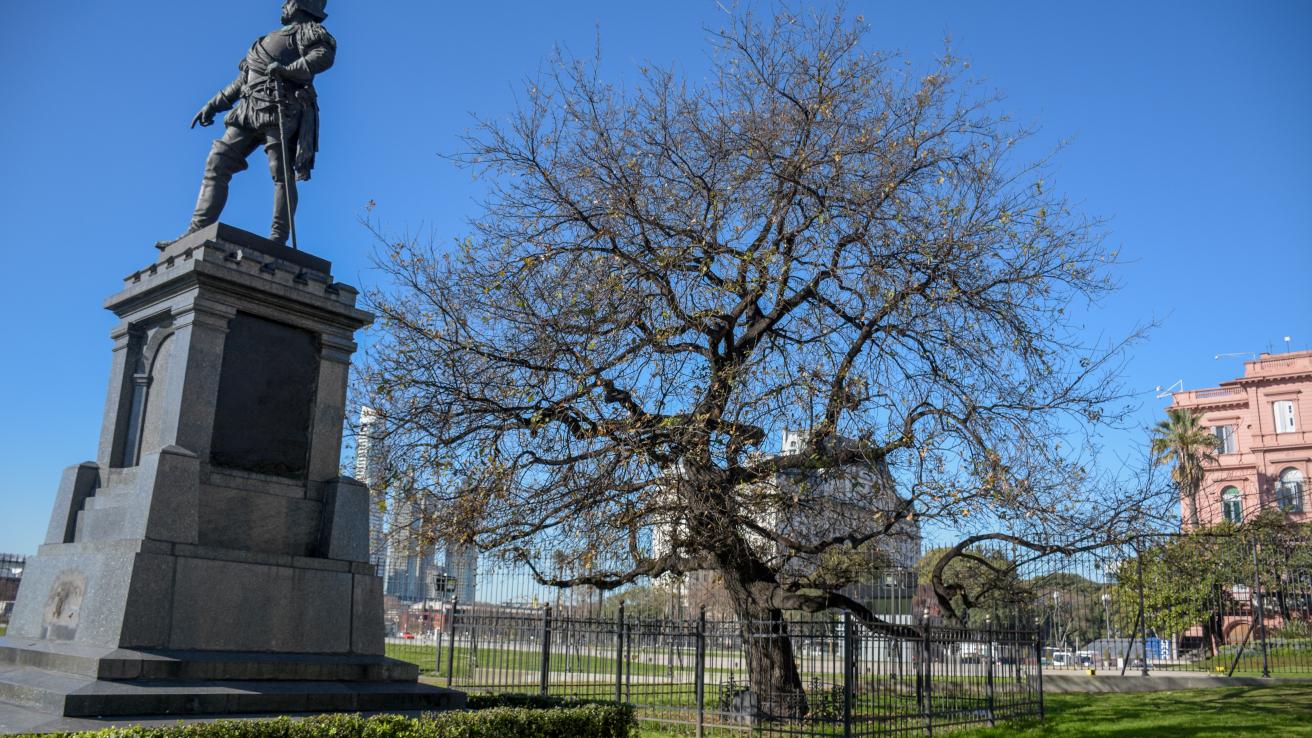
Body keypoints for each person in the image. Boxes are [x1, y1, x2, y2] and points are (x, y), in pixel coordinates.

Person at [173, 0, 335, 246]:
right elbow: (241, 82)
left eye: (288, 1)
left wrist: (287, 69)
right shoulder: (263, 40)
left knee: (280, 173)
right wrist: (213, 104)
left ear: (300, 5)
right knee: (217, 161)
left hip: (282, 106)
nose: (283, 6)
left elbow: (322, 56)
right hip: (247, 109)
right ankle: (197, 230)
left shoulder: (307, 31)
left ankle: (278, 237)